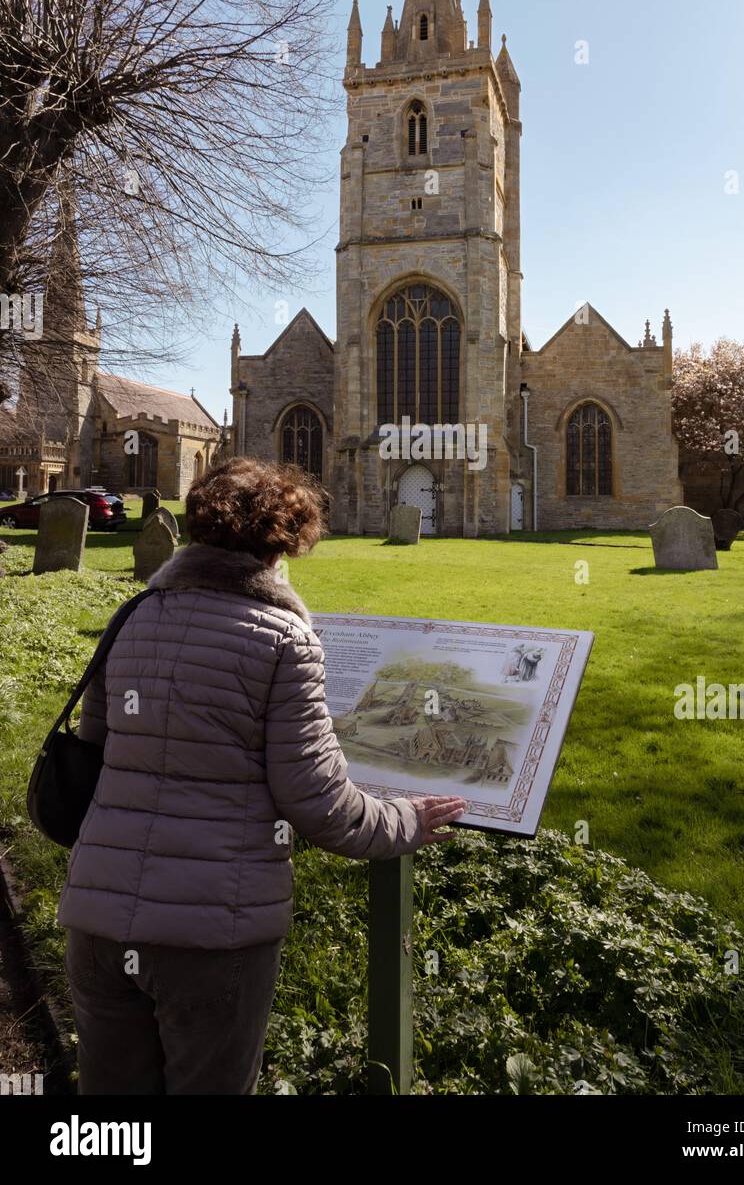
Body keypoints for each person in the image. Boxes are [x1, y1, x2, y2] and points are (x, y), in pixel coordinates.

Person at [58, 457, 467, 1095]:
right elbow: (316, 799)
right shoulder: (284, 640)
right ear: (284, 540)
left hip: (97, 922)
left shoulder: (133, 618)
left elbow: (97, 749)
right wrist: (404, 819)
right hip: (211, 934)